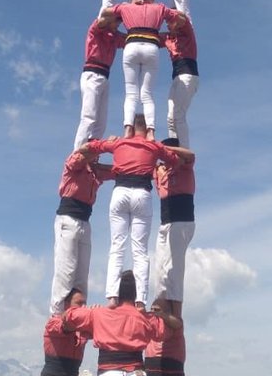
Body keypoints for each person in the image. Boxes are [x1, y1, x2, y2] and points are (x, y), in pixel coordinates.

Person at [82, 130, 192, 310]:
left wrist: (90, 148)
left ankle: (112, 296)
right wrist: (158, 147)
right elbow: (177, 160)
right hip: (142, 193)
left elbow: (92, 147)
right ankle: (140, 300)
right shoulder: (152, 149)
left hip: (121, 191)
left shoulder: (120, 144)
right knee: (140, 250)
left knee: (117, 246)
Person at [111, 0, 185, 137]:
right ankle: (150, 131)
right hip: (151, 48)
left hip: (131, 46)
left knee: (131, 92)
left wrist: (131, 4)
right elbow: (181, 17)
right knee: (147, 94)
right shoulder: (160, 8)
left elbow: (106, 13)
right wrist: (172, 29)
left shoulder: (126, 7)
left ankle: (127, 129)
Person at [49, 147, 113, 316]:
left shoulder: (95, 173)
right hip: (68, 219)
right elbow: (77, 159)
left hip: (84, 222)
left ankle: (77, 314)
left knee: (82, 276)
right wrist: (105, 146)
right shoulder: (74, 165)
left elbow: (117, 171)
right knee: (66, 270)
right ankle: (56, 315)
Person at [152, 141, 195, 322]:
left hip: (181, 221)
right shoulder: (160, 172)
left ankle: (176, 313)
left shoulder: (184, 167)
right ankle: (162, 306)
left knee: (174, 268)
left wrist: (168, 150)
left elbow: (190, 155)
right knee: (160, 266)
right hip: (166, 222)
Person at [73, 13, 125, 150]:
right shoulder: (96, 31)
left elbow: (130, 39)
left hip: (104, 77)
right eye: (116, 23)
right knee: (88, 117)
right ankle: (77, 153)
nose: (117, 27)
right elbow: (101, 21)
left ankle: (91, 153)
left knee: (101, 123)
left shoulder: (115, 37)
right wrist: (117, 11)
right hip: (92, 75)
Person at [163, 17, 198, 147]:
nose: (167, 25)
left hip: (188, 75)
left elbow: (184, 19)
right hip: (177, 77)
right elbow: (153, 37)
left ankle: (184, 148)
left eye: (170, 22)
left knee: (178, 114)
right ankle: (174, 144)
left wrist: (171, 14)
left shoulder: (187, 33)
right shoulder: (169, 37)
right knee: (170, 117)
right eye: (167, 23)